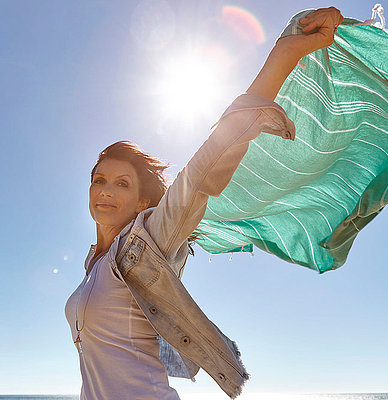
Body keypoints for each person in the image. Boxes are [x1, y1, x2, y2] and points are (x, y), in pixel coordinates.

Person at [65, 7, 344, 400]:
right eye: (99, 180)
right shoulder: (94, 263)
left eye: (121, 183)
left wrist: (284, 56)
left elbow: (202, 171)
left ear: (143, 199)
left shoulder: (150, 241)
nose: (106, 190)